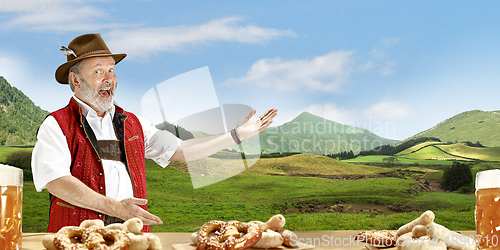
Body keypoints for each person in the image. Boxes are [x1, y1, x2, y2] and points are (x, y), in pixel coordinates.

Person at [31, 33, 277, 233]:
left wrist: (236, 135)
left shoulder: (134, 125)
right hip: (76, 240)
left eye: (112, 70)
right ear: (75, 80)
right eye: (98, 72)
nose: (109, 79)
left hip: (133, 238)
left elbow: (181, 150)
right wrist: (115, 208)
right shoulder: (57, 125)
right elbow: (56, 181)